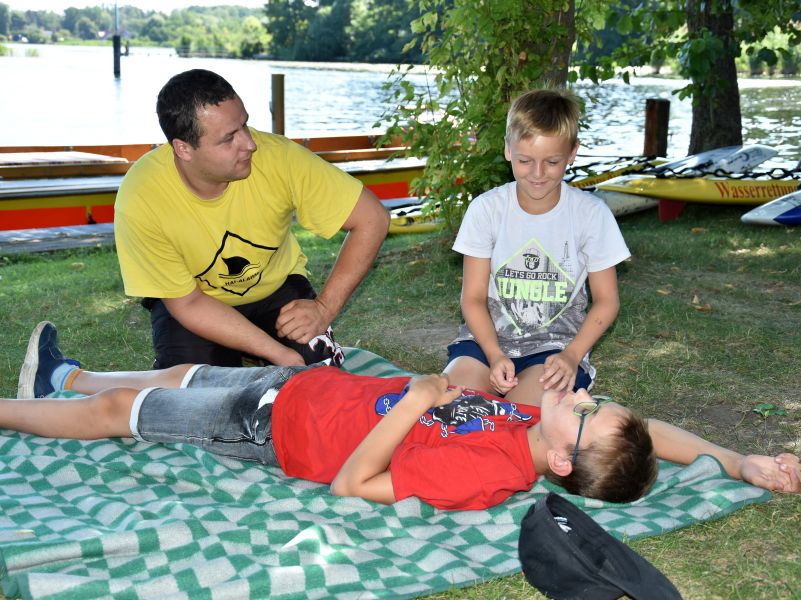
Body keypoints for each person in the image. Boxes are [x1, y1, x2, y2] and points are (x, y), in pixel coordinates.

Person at [13, 322, 801, 511]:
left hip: (277, 430)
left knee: (125, 413)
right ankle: (64, 374)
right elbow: (645, 437)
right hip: (307, 390)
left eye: (585, 413)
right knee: (187, 367)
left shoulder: (490, 470)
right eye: (598, 398)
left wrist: (422, 400)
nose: (584, 394)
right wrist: (737, 462)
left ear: (561, 463)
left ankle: (25, 407)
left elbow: (357, 483)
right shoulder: (526, 428)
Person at [114, 69, 389, 369]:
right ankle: (241, 355)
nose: (249, 143)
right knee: (195, 398)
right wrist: (277, 353)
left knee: (319, 376)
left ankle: (255, 354)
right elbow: (188, 304)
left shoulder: (280, 158)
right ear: (183, 149)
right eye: (229, 138)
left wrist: (323, 309)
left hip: (276, 289)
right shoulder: (142, 195)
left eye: (244, 124)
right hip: (198, 302)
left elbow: (372, 219)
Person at [445, 88, 628, 406]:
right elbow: (473, 298)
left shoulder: (591, 214)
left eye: (552, 161)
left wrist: (572, 355)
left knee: (522, 417)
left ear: (572, 153)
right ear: (507, 150)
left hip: (555, 349)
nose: (538, 173)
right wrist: (493, 353)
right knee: (451, 403)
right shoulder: (486, 209)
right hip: (486, 341)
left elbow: (607, 301)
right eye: (525, 160)